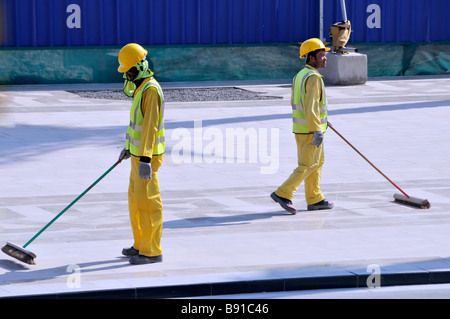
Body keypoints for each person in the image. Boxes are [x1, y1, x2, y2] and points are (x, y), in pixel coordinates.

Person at [271, 38, 334, 214]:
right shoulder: (313, 77)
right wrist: (316, 129)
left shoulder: (299, 75)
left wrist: (322, 121)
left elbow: (296, 102)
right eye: (321, 55)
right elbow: (311, 105)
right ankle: (283, 193)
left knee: (317, 162)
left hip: (303, 129)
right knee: (307, 164)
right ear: (311, 57)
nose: (325, 58)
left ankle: (315, 198)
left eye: (325, 55)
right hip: (310, 130)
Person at [117, 43, 166, 264]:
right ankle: (140, 244)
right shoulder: (140, 88)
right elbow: (137, 125)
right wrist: (129, 148)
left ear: (141, 67)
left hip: (147, 158)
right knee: (135, 202)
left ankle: (152, 251)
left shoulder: (151, 90)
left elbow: (150, 127)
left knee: (148, 203)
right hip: (137, 157)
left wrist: (145, 158)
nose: (127, 74)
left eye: (130, 70)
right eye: (125, 71)